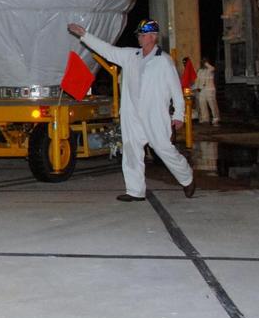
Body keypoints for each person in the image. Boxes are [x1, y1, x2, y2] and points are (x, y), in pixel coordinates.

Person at [67, 19, 196, 201]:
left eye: (142, 35)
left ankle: (187, 177)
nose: (139, 38)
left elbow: (176, 91)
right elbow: (108, 50)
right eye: (139, 35)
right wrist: (84, 35)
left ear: (153, 37)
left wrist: (178, 115)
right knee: (131, 150)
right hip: (132, 114)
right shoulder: (130, 56)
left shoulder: (164, 62)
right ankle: (135, 191)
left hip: (154, 115)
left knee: (163, 149)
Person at [194, 57, 219, 126]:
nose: (203, 63)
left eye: (204, 62)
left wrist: (206, 63)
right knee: (202, 105)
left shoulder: (210, 69)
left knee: (212, 105)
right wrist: (196, 88)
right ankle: (205, 119)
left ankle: (215, 119)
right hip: (202, 90)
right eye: (202, 62)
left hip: (210, 90)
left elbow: (212, 68)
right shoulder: (200, 71)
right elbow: (197, 80)